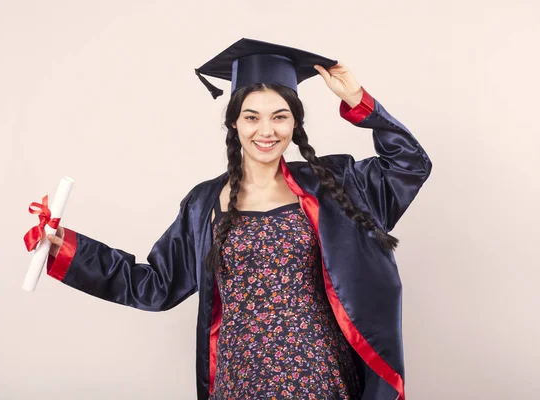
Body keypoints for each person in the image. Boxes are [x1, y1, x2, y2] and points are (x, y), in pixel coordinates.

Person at [44, 38, 432, 400]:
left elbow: (410, 164)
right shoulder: (204, 203)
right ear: (234, 123)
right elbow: (157, 284)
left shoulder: (335, 186)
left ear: (295, 124)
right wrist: (69, 250)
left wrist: (357, 100)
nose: (267, 131)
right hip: (239, 380)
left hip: (320, 379)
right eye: (252, 117)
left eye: (279, 117)